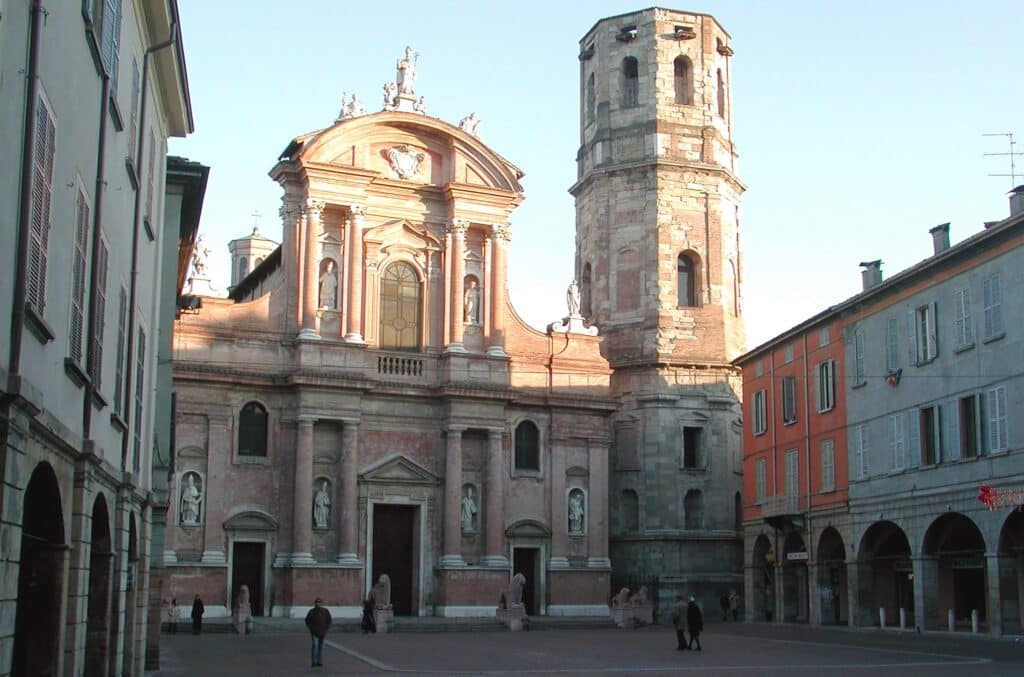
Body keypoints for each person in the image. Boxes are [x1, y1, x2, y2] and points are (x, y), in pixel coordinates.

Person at [305, 597, 333, 668]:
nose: (318, 604)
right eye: (317, 602)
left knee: (321, 647)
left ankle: (320, 661)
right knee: (315, 645)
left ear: (321, 604)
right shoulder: (311, 611)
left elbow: (329, 620)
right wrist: (310, 627)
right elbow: (307, 620)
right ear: (315, 603)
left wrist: (326, 628)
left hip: (323, 632)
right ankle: (314, 661)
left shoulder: (325, 611)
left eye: (319, 603)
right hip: (314, 632)